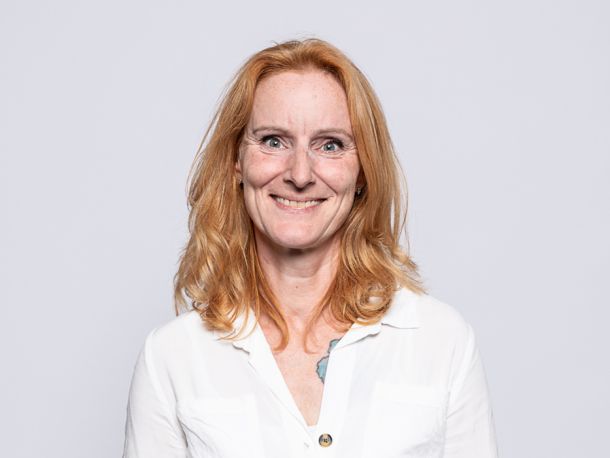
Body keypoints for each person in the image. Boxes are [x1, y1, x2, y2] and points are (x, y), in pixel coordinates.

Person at [122, 38, 498, 458]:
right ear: (236, 162)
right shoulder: (171, 358)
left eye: (330, 145)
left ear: (363, 172)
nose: (300, 174)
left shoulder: (442, 343)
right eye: (273, 141)